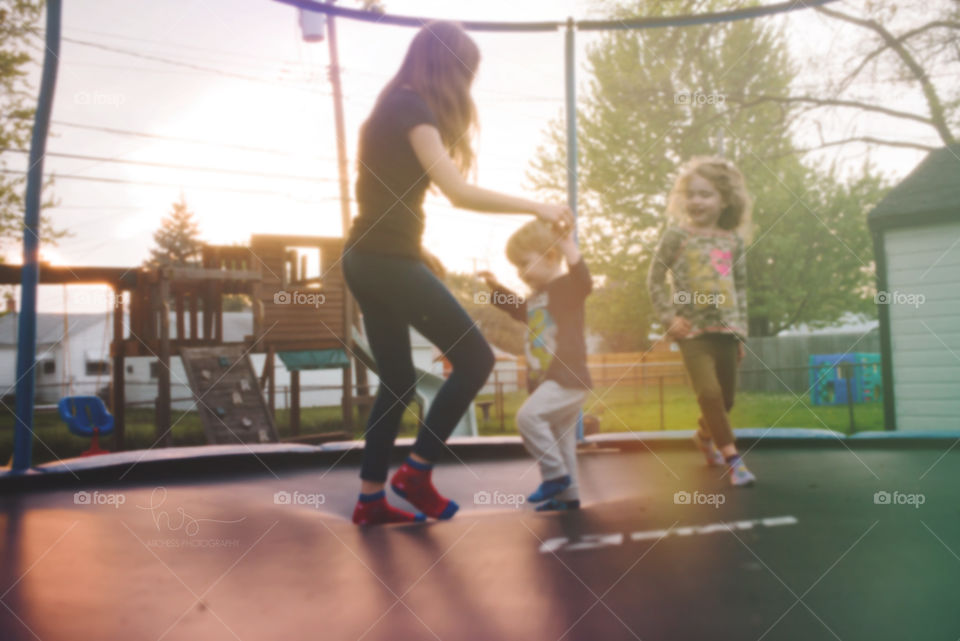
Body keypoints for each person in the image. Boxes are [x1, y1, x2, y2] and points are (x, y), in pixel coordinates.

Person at [342, 21, 574, 526]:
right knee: (473, 357)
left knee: (399, 381)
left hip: (366, 259)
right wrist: (539, 206)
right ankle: (416, 473)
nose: (465, 88)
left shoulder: (391, 107)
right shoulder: (411, 109)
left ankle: (370, 498)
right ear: (447, 67)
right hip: (385, 261)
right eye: (465, 74)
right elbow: (460, 193)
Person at [647, 156, 756, 486]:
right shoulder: (676, 236)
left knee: (726, 400)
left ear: (723, 200)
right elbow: (654, 278)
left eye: (705, 194)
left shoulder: (733, 241)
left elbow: (739, 287)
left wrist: (741, 333)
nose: (696, 201)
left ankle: (703, 435)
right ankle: (733, 459)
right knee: (708, 394)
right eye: (690, 194)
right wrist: (668, 317)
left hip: (726, 330)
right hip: (692, 332)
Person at [479, 220, 592, 511]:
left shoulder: (566, 287)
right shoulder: (537, 297)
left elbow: (584, 281)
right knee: (561, 439)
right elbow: (519, 310)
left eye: (524, 264)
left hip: (567, 377)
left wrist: (568, 245)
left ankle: (554, 476)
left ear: (550, 257)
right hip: (546, 379)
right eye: (515, 267)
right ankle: (568, 498)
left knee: (528, 419)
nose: (520, 273)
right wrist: (496, 287)